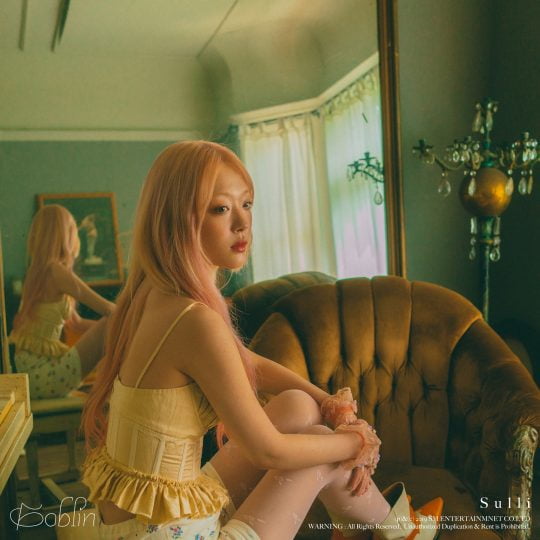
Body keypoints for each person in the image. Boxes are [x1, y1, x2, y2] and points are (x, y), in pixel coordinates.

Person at [80, 141, 443, 540]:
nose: (242, 223)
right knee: (320, 449)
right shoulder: (194, 321)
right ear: (178, 220)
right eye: (220, 209)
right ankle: (399, 531)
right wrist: (356, 442)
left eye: (247, 204)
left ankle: (371, 526)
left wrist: (330, 403)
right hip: (168, 532)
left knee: (298, 405)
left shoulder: (151, 293)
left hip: (145, 520)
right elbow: (267, 451)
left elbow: (243, 361)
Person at [9, 204, 115, 399]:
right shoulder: (56, 271)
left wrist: (110, 333)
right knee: (114, 321)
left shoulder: (37, 272)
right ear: (67, 236)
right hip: (46, 375)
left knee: (114, 326)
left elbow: (76, 323)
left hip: (32, 376)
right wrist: (138, 316)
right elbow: (108, 309)